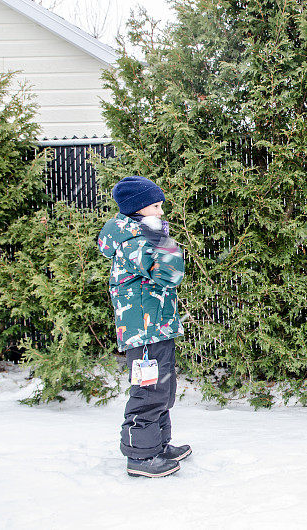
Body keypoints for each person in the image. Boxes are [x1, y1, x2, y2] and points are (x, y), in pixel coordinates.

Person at [97, 175, 190, 478]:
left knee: (163, 388)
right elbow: (169, 274)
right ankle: (140, 457)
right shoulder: (133, 243)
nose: (161, 212)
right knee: (149, 391)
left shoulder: (141, 236)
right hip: (144, 331)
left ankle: (159, 445)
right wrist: (164, 241)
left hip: (157, 327)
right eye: (155, 206)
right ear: (137, 209)